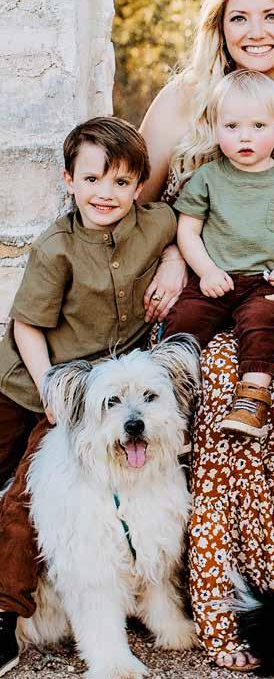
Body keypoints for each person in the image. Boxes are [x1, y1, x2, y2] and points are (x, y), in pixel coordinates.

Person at [139, 0, 274, 671]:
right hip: (197, 293)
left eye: (271, 15)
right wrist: (176, 255)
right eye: (239, 16)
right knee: (210, 382)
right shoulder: (186, 99)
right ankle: (221, 600)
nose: (256, 30)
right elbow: (139, 204)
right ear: (218, 26)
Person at [0, 117, 176, 677]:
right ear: (69, 180)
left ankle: (6, 612)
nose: (106, 193)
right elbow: (27, 326)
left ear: (140, 187)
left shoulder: (158, 223)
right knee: (12, 483)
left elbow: (180, 233)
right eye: (92, 179)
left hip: (99, 391)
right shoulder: (56, 247)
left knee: (28, 494)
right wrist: (51, 390)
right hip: (35, 382)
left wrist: (174, 262)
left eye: (121, 182)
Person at [163, 70, 274, 438]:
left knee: (263, 321)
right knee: (182, 320)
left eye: (258, 126)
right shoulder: (208, 177)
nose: (245, 136)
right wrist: (206, 270)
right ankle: (172, 406)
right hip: (215, 279)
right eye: (232, 126)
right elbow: (187, 230)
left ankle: (252, 398)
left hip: (265, 282)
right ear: (215, 128)